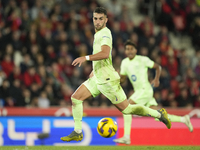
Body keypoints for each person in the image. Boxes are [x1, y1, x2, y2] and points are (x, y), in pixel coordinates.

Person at [60, 7, 171, 142]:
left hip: (107, 80)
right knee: (76, 98)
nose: (98, 21)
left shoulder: (105, 34)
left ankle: (159, 114)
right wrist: (94, 69)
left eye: (101, 19)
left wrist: (86, 58)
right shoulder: (97, 34)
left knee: (127, 110)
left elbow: (105, 53)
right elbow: (104, 58)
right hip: (98, 77)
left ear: (106, 20)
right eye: (95, 18)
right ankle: (78, 131)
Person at [113, 40, 193, 145]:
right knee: (158, 116)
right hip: (139, 91)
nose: (129, 51)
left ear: (136, 50)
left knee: (126, 107)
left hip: (145, 89)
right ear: (125, 51)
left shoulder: (142, 59)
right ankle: (183, 119)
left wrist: (156, 79)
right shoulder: (124, 63)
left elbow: (158, 67)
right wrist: (117, 77)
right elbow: (123, 79)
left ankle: (127, 136)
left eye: (131, 49)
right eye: (127, 49)